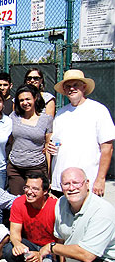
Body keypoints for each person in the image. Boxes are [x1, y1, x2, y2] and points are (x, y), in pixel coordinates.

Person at [47, 69, 115, 197]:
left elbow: (107, 149)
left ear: (84, 87)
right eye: (68, 86)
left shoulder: (99, 110)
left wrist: (100, 179)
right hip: (61, 184)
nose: (71, 89)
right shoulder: (60, 113)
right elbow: (55, 143)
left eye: (75, 85)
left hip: (87, 183)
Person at [2, 173, 57, 262]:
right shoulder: (19, 203)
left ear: (46, 191)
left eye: (35, 189)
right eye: (27, 187)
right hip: (31, 244)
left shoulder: (56, 206)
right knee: (9, 250)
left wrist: (42, 253)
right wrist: (18, 245)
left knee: (64, 254)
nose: (29, 192)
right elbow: (15, 233)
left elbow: (63, 240)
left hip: (52, 247)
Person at [7, 84, 52, 195]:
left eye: (28, 99)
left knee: (35, 200)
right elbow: (12, 140)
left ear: (35, 98)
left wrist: (49, 173)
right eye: (21, 100)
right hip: (15, 168)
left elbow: (48, 147)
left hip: (36, 167)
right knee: (16, 201)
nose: (25, 103)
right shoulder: (13, 117)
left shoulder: (46, 120)